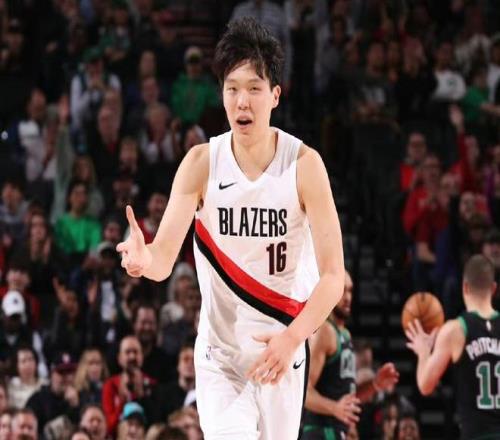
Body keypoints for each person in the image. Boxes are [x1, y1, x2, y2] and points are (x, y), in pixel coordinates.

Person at [117, 17, 344, 440]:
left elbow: (333, 278)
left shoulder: (304, 165)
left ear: (275, 95)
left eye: (254, 89)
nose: (242, 101)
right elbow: (162, 261)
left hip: (282, 350)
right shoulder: (201, 163)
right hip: (220, 358)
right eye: (232, 88)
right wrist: (142, 259)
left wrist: (292, 339)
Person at [406, 254, 500, 439]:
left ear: (464, 287)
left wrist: (423, 351)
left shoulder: (455, 330)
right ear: (494, 288)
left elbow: (425, 385)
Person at [303, 271, 399, 439]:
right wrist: (334, 408)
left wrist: (375, 384)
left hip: (337, 431)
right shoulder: (325, 331)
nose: (347, 297)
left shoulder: (345, 334)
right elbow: (305, 393)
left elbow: (347, 401)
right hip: (321, 431)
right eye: (342, 290)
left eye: (350, 290)